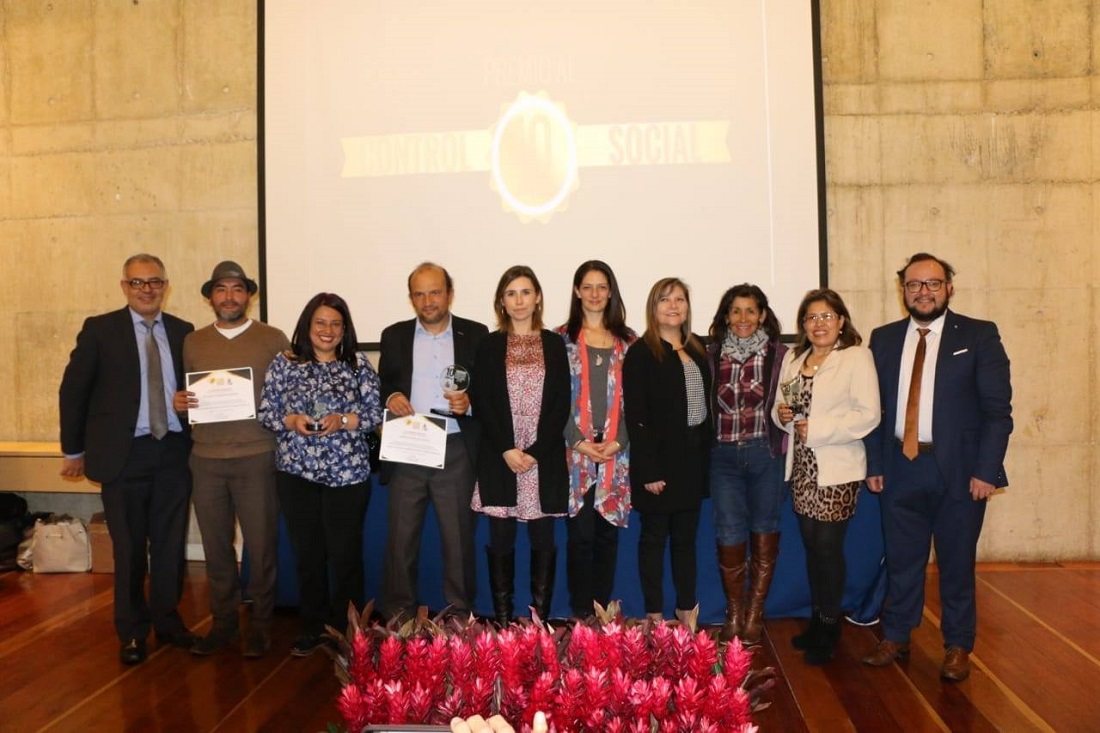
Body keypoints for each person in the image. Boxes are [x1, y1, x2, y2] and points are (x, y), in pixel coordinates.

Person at [861, 253, 1012, 682]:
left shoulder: (980, 335)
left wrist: (986, 470)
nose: (923, 292)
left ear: (949, 287)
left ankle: (958, 645)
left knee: (956, 563)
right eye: (914, 285)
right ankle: (896, 636)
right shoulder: (884, 338)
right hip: (900, 466)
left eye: (932, 283)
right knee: (902, 560)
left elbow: (998, 412)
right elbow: (875, 409)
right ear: (902, 290)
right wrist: (875, 461)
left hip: (962, 474)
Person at [59, 254, 196, 664]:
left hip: (174, 450)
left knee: (171, 545)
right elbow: (73, 391)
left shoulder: (183, 331)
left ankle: (168, 623)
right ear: (124, 287)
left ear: (166, 285)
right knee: (130, 548)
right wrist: (73, 450)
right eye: (137, 283)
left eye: (154, 281)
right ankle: (133, 632)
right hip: (124, 455)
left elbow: (194, 388)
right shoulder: (100, 330)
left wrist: (189, 404)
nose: (147, 289)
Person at [173, 261, 289, 658]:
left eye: (237, 289)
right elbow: (189, 400)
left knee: (260, 547)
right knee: (216, 547)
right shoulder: (193, 341)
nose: (229, 296)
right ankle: (223, 625)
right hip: (205, 458)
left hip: (257, 456)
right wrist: (180, 404)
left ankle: (259, 626)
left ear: (248, 295)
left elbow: (286, 395)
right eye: (221, 289)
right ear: (210, 296)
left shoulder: (273, 339)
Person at [257, 293, 383, 656]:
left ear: (345, 330)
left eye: (335, 324)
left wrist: (343, 421)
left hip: (347, 477)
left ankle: (349, 633)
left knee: (345, 557)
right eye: (320, 323)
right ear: (307, 326)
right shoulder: (285, 363)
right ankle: (312, 628)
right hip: (297, 475)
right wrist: (291, 421)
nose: (327, 331)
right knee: (307, 555)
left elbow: (375, 414)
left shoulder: (358, 364)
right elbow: (266, 412)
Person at [773, 288, 880, 664]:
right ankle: (818, 621)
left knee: (828, 551)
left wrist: (817, 428)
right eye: (811, 318)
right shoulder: (794, 359)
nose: (819, 324)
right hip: (802, 469)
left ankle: (830, 628)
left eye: (826, 316)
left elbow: (868, 414)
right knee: (812, 551)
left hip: (837, 468)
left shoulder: (856, 358)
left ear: (841, 321)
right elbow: (780, 408)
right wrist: (782, 418)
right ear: (802, 325)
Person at [377, 263, 488, 621]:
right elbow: (384, 384)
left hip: (455, 447)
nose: (428, 301)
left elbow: (490, 392)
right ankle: (398, 619)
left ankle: (460, 619)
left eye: (435, 292)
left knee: (457, 542)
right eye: (419, 293)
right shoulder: (393, 336)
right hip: (408, 446)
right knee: (400, 541)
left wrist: (470, 401)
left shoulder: (476, 334)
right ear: (411, 298)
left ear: (449, 294)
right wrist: (391, 394)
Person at [471, 265, 570, 624]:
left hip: (542, 456)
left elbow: (561, 403)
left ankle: (539, 623)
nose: (519, 300)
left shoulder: (555, 344)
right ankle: (502, 620)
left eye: (525, 292)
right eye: (511, 293)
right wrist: (508, 449)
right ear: (501, 301)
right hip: (501, 454)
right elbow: (482, 401)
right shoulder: (489, 344)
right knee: (501, 540)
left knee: (544, 539)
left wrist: (535, 452)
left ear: (538, 297)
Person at [623, 277, 711, 623]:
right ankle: (654, 613)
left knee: (686, 541)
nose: (674, 305)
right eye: (665, 300)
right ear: (653, 308)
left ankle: (687, 609)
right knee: (655, 540)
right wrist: (648, 470)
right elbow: (637, 416)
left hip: (693, 461)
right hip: (658, 464)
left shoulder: (698, 348)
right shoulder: (641, 353)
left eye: (680, 299)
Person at [706, 284, 788, 643]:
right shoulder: (709, 355)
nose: (743, 319)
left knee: (764, 526)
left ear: (763, 315)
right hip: (723, 456)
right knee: (729, 532)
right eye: (736, 311)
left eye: (750, 311)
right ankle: (734, 611)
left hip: (764, 453)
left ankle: (755, 610)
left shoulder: (781, 355)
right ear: (726, 316)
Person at [558, 261, 635, 619]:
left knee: (607, 538)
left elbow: (639, 403)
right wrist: (579, 441)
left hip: (617, 456)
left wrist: (618, 441)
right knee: (581, 538)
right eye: (587, 287)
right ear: (576, 291)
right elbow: (552, 401)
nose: (594, 294)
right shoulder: (560, 340)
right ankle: (579, 617)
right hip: (575, 455)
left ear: (611, 291)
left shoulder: (630, 342)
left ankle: (602, 616)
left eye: (601, 287)